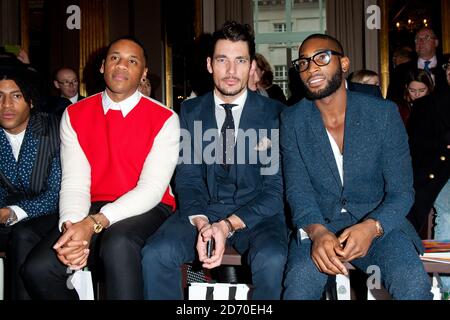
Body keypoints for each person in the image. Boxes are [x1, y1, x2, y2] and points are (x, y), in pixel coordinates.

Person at [22, 36, 180, 300]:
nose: (121, 65)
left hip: (149, 206)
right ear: (102, 66)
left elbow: (151, 189)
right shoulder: (75, 114)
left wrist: (93, 223)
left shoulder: (164, 118)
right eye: (115, 58)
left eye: (132, 61)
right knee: (37, 269)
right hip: (92, 205)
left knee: (118, 243)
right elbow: (74, 182)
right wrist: (71, 229)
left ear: (143, 73)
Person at [141, 21, 288, 300]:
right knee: (156, 254)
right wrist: (202, 222)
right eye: (223, 60)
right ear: (210, 64)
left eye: (240, 60)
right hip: (202, 210)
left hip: (257, 214)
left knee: (272, 259)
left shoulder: (275, 114)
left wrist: (228, 224)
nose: (231, 71)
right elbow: (188, 177)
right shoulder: (190, 111)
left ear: (251, 66)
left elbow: (274, 190)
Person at [281, 33, 432, 300]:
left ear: (345, 64)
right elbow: (298, 190)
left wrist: (373, 227)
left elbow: (402, 192)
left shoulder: (382, 114)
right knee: (299, 284)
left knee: (413, 283)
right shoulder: (292, 119)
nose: (311, 67)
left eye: (322, 57)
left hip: (377, 225)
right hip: (319, 226)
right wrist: (316, 231)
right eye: (303, 62)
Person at [0, 66, 61, 300]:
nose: (6, 105)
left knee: (23, 234)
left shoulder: (54, 130)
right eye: (0, 96)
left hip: (54, 212)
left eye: (16, 96)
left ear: (31, 101)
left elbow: (56, 193)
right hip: (10, 214)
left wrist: (10, 212)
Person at [388, 28, 447, 102]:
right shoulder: (401, 70)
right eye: (417, 39)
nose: (421, 41)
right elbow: (393, 99)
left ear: (436, 42)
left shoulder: (446, 66)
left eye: (426, 37)